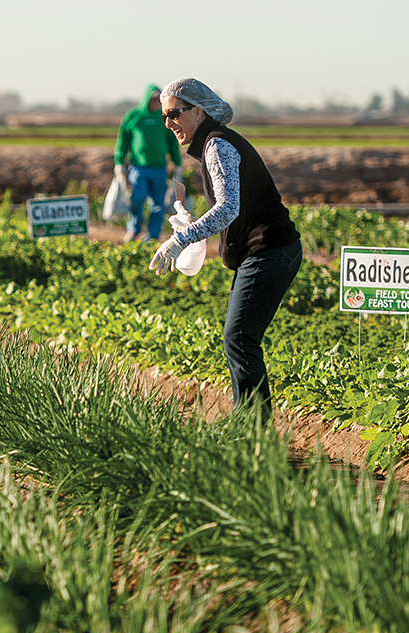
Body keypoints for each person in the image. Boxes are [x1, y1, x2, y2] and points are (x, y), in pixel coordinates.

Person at [151, 78, 302, 416]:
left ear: (198, 111)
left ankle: (252, 432)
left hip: (270, 250)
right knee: (239, 340)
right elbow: (231, 206)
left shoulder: (217, 145)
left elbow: (228, 207)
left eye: (174, 113)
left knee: (239, 339)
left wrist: (181, 239)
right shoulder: (211, 145)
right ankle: (250, 428)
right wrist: (191, 224)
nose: (168, 122)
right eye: (164, 116)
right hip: (263, 252)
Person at [113, 85, 183, 242]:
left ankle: (152, 235)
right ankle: (134, 230)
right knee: (137, 198)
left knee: (158, 205)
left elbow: (172, 143)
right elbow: (123, 142)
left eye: (158, 100)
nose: (154, 103)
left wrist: (177, 164)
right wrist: (119, 162)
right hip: (139, 168)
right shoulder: (134, 116)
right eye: (152, 99)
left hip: (159, 169)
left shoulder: (163, 117)